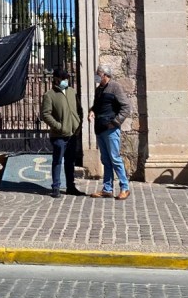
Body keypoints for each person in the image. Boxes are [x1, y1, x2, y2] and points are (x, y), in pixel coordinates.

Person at [87, 65, 130, 200]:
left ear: (105, 75)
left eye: (99, 74)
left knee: (115, 159)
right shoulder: (99, 89)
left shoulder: (115, 87)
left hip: (110, 129)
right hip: (100, 129)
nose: (97, 76)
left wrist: (115, 122)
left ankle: (125, 187)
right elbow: (97, 105)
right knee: (105, 160)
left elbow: (126, 107)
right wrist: (92, 111)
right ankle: (107, 188)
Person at [40, 67, 84, 198]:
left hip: (72, 133)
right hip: (59, 135)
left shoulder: (71, 92)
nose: (65, 81)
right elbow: (46, 115)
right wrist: (59, 127)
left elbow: (78, 109)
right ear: (56, 79)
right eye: (63, 78)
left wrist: (78, 124)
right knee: (57, 161)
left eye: (66, 78)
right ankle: (56, 187)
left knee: (70, 162)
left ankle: (71, 186)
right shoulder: (49, 95)